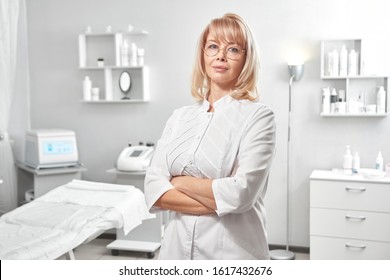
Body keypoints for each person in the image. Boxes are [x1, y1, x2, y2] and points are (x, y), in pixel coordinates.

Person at [144, 13, 276, 260]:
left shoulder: (258, 116)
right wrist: (220, 202)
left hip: (233, 256)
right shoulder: (179, 117)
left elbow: (241, 194)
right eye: (213, 46)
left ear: (247, 59)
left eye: (233, 49)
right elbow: (153, 187)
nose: (221, 55)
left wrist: (179, 183)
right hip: (175, 253)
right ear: (203, 54)